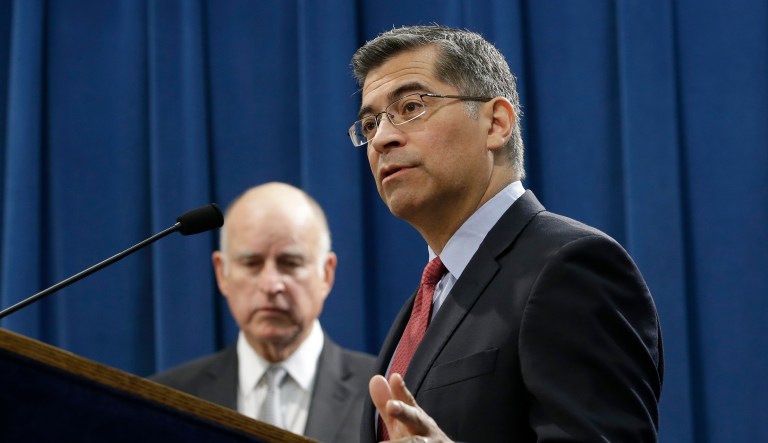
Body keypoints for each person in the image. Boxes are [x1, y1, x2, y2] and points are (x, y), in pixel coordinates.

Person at [348, 25, 664, 442]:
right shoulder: (422, 305)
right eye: (370, 124)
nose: (382, 138)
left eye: (410, 106)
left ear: (496, 123)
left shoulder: (571, 267)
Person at [151, 182, 375, 442]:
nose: (271, 285)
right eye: (251, 263)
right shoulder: (166, 399)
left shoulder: (383, 393)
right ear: (222, 273)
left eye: (290, 263)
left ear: (326, 274)